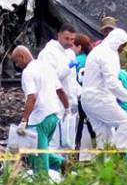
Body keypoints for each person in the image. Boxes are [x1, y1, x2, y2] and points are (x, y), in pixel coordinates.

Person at [81, 28, 127, 149]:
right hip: (98, 98)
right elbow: (112, 83)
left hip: (89, 99)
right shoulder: (107, 54)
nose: (123, 49)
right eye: (123, 45)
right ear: (116, 42)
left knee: (105, 135)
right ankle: (117, 157)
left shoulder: (101, 50)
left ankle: (104, 164)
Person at [11, 45, 69, 174]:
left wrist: (24, 120)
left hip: (39, 120)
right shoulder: (46, 67)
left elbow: (31, 98)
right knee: (38, 151)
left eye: (17, 61)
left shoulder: (28, 72)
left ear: (22, 56)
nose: (17, 65)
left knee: (38, 159)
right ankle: (63, 164)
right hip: (53, 117)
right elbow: (60, 91)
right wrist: (66, 108)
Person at [38, 23, 81, 109]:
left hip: (71, 101)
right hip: (56, 103)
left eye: (72, 39)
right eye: (66, 38)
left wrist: (80, 92)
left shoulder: (70, 53)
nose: (69, 42)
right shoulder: (48, 53)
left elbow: (72, 80)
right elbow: (50, 78)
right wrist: (68, 67)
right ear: (59, 35)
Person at [100, 16, 127, 95]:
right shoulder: (100, 47)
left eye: (110, 30)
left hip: (124, 83)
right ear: (103, 32)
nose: (108, 33)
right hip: (108, 85)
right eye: (105, 30)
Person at [71, 34, 96, 155]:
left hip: (80, 96)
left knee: (80, 122)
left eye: (73, 46)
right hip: (92, 95)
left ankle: (76, 148)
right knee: (89, 121)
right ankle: (96, 146)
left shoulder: (76, 61)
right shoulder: (91, 59)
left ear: (79, 47)